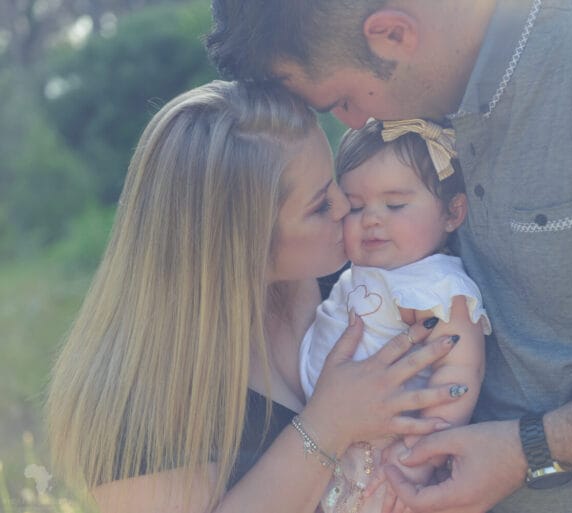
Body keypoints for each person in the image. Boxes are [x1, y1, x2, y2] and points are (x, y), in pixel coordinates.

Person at [205, 1, 572, 512]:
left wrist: (534, 449)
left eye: (343, 102)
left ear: (393, 34)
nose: (354, 126)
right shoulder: (414, 118)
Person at [46, 80, 468, 513]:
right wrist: (325, 426)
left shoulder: (345, 278)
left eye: (337, 185)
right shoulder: (136, 402)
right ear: (241, 243)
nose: (348, 209)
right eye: (321, 205)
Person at [300, 118, 490, 513]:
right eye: (355, 206)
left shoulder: (435, 285)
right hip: (332, 447)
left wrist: (418, 460)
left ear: (452, 213)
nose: (372, 218)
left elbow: (459, 375)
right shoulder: (357, 273)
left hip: (390, 459)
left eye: (395, 204)